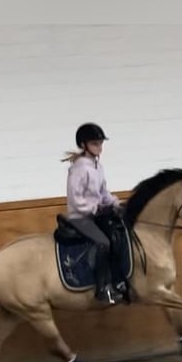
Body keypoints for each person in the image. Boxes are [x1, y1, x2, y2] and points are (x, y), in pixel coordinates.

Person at [61, 122, 124, 305]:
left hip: (96, 214)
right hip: (80, 217)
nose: (99, 147)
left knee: (118, 233)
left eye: (100, 143)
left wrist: (116, 204)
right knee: (103, 243)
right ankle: (102, 288)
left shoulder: (98, 167)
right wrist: (95, 209)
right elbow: (75, 199)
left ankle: (118, 281)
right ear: (84, 145)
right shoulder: (79, 169)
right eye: (95, 144)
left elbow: (103, 193)